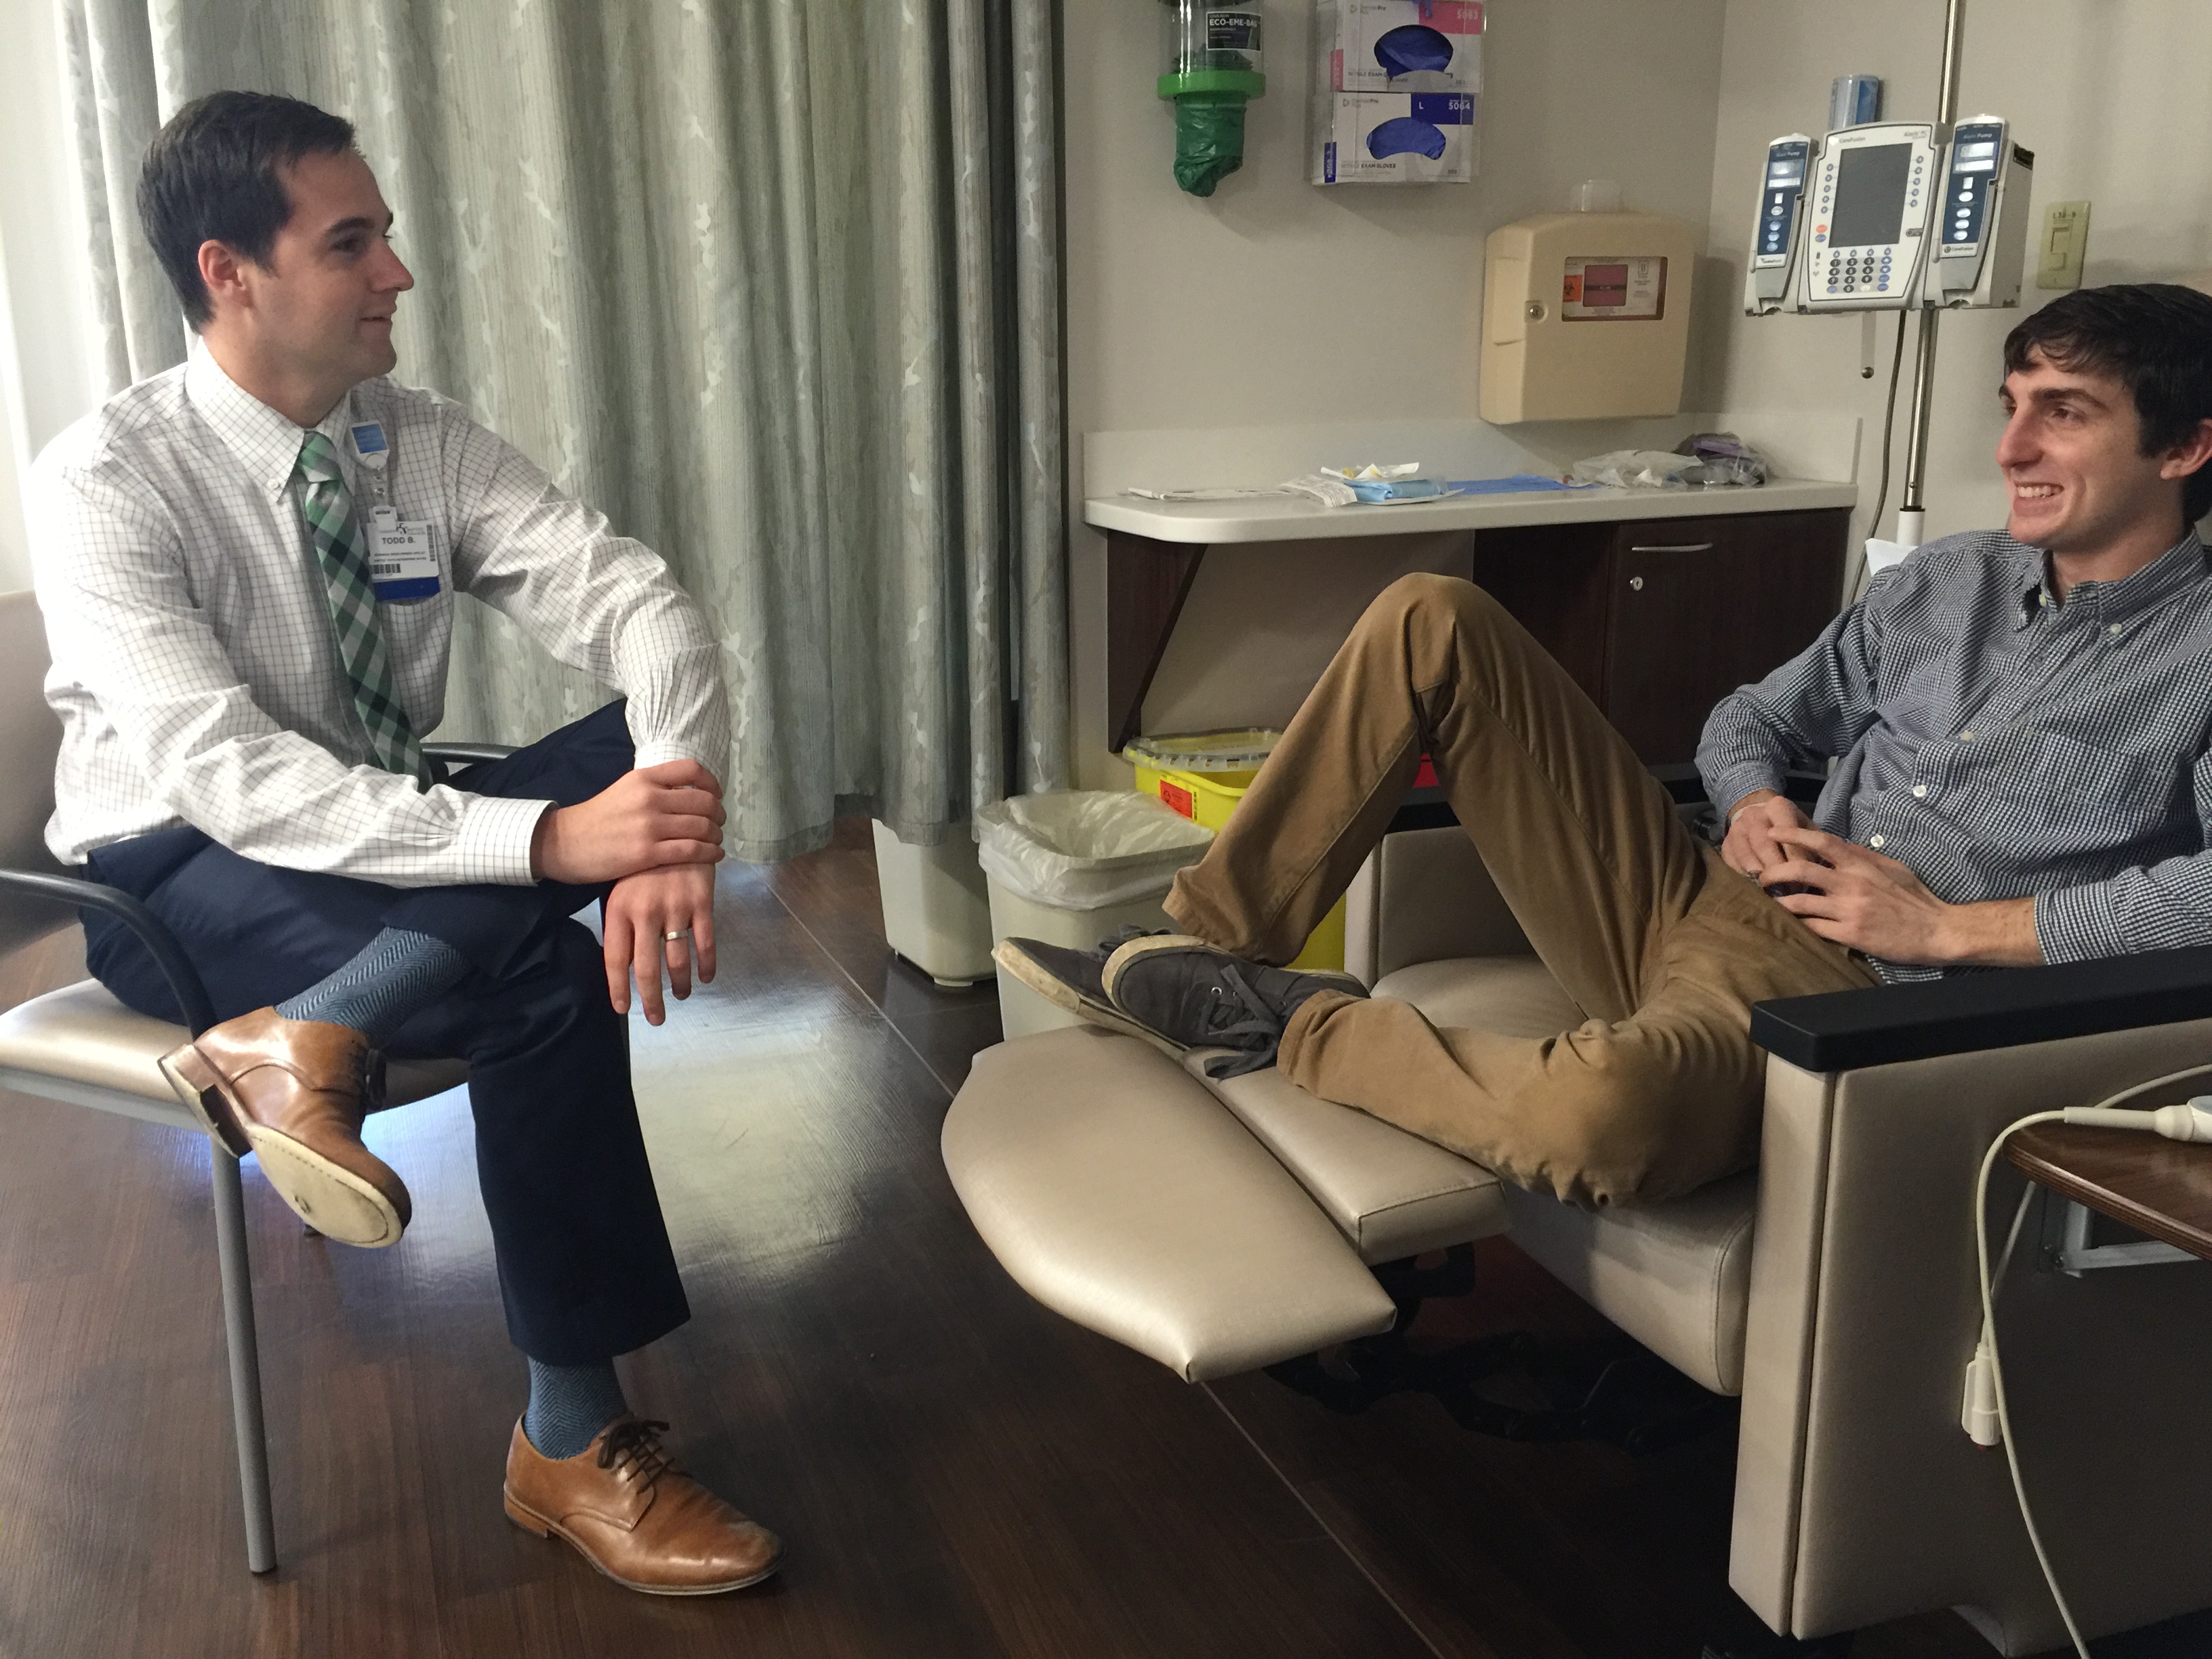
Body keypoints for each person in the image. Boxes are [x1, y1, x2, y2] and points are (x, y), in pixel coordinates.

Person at [30, 91, 779, 1593]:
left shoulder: (413, 441)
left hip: (366, 841)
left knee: (635, 742)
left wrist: (662, 822)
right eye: (350, 242)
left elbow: (641, 603)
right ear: (230, 272)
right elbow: (234, 779)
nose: (398, 273)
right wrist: (556, 846)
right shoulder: (105, 478)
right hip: (170, 868)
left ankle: (313, 1032)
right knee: (543, 984)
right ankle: (570, 1442)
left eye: (384, 236)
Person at [1004, 283, 2212, 1211]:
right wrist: (1753, 801)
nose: (2011, 449)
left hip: (1857, 1005)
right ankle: (1205, 946)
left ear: (2186, 448)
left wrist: (1951, 931)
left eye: (2064, 414)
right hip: (1706, 886)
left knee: (1599, 1120)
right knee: (1433, 615)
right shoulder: (1949, 582)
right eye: (2011, 407)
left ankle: (1282, 1019)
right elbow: (1752, 719)